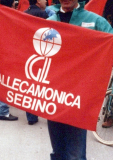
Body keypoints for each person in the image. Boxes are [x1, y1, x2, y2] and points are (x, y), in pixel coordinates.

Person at [47, 0, 113, 159]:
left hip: (78, 101)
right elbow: (22, 52)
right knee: (58, 153)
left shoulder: (96, 22)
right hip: (52, 99)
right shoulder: (47, 23)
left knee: (76, 156)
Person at [24, 0, 49, 125]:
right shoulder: (44, 15)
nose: (46, 1)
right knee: (42, 84)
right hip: (42, 53)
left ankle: (31, 117)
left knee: (29, 86)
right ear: (38, 1)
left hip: (28, 53)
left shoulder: (24, 14)